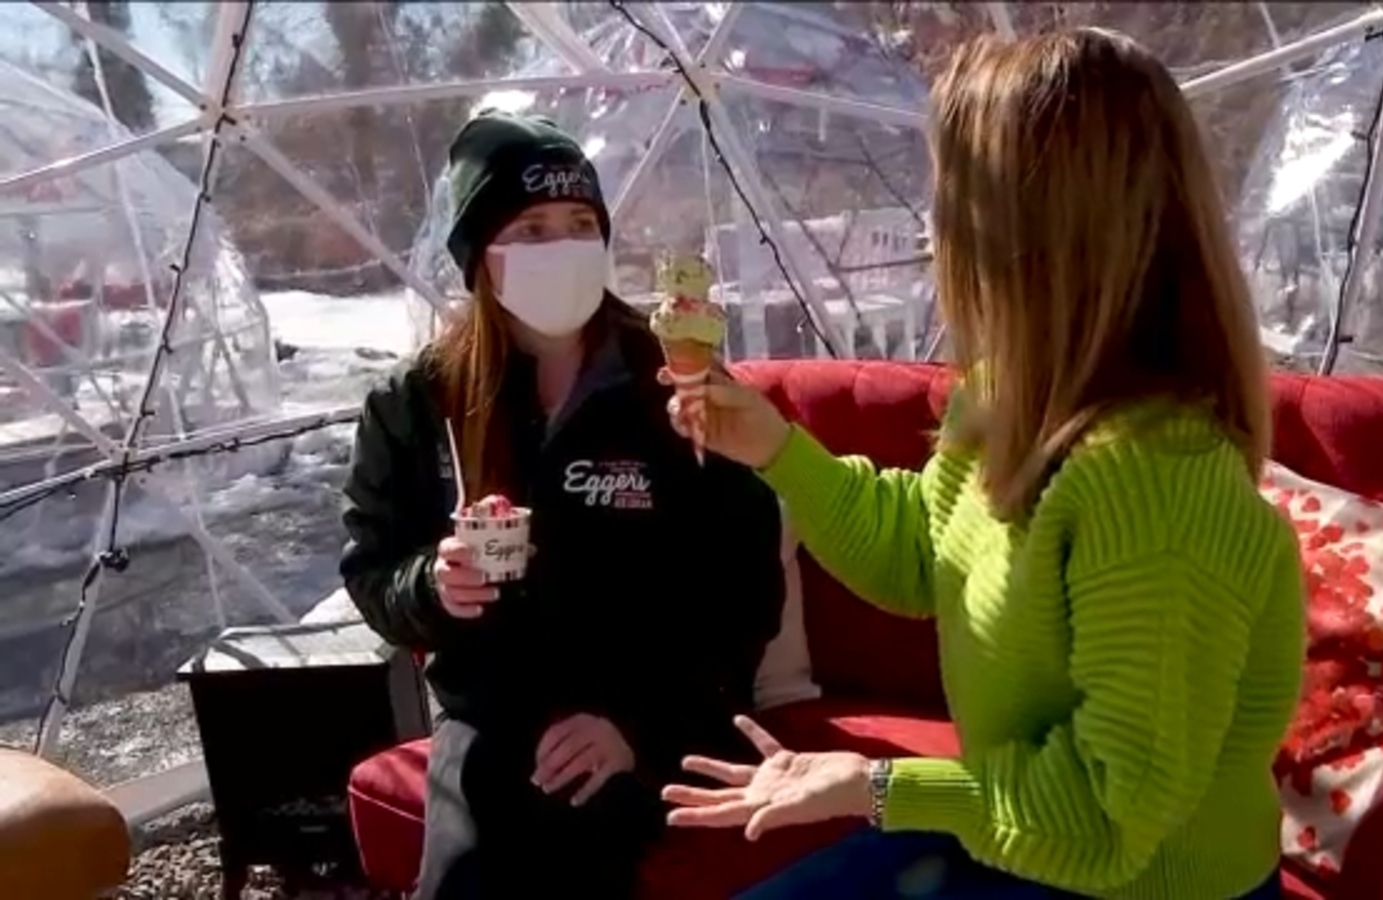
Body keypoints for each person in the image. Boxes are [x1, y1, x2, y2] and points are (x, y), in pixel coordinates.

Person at [658, 29, 1304, 900]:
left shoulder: (1154, 478)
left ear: (1023, 229)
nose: (934, 228)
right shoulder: (1002, 394)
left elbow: (1110, 815)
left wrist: (873, 786)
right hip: (1022, 844)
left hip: (1137, 881)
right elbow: (926, 556)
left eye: (952, 191)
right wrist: (776, 447)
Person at [339, 109, 786, 900]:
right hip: (489, 716)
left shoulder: (670, 385)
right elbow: (374, 570)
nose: (564, 248)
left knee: (584, 850)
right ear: (481, 254)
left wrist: (636, 727)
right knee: (465, 880)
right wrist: (433, 589)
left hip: (656, 709)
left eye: (581, 224)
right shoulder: (417, 402)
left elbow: (743, 589)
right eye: (533, 228)